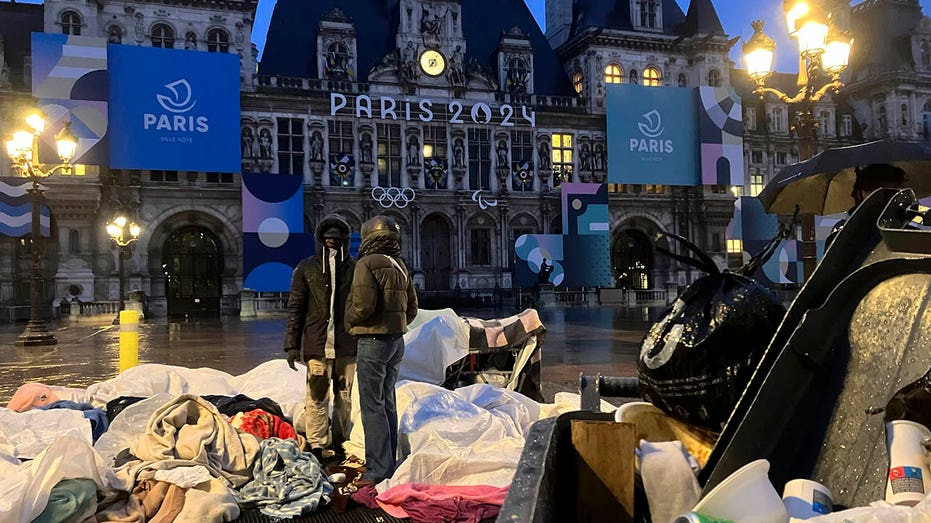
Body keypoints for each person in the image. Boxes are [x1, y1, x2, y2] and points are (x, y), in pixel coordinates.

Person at [344, 215, 418, 485]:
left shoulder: (366, 263)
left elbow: (363, 304)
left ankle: (377, 470)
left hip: (373, 341)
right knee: (387, 401)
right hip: (396, 341)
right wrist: (396, 323)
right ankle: (389, 463)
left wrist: (349, 320)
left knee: (371, 405)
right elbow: (412, 308)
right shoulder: (400, 265)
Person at [283, 215, 357, 464]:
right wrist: (292, 345)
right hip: (317, 346)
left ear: (344, 241)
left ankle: (341, 440)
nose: (332, 244)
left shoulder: (355, 268)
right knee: (316, 397)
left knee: (344, 398)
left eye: (337, 240)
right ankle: (317, 444)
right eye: (327, 240)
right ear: (320, 241)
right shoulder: (307, 268)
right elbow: (296, 307)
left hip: (347, 347)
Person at [826, 163, 907, 249]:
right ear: (860, 194)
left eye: (894, 192)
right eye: (878, 192)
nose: (887, 199)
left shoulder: (907, 222)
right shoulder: (845, 230)